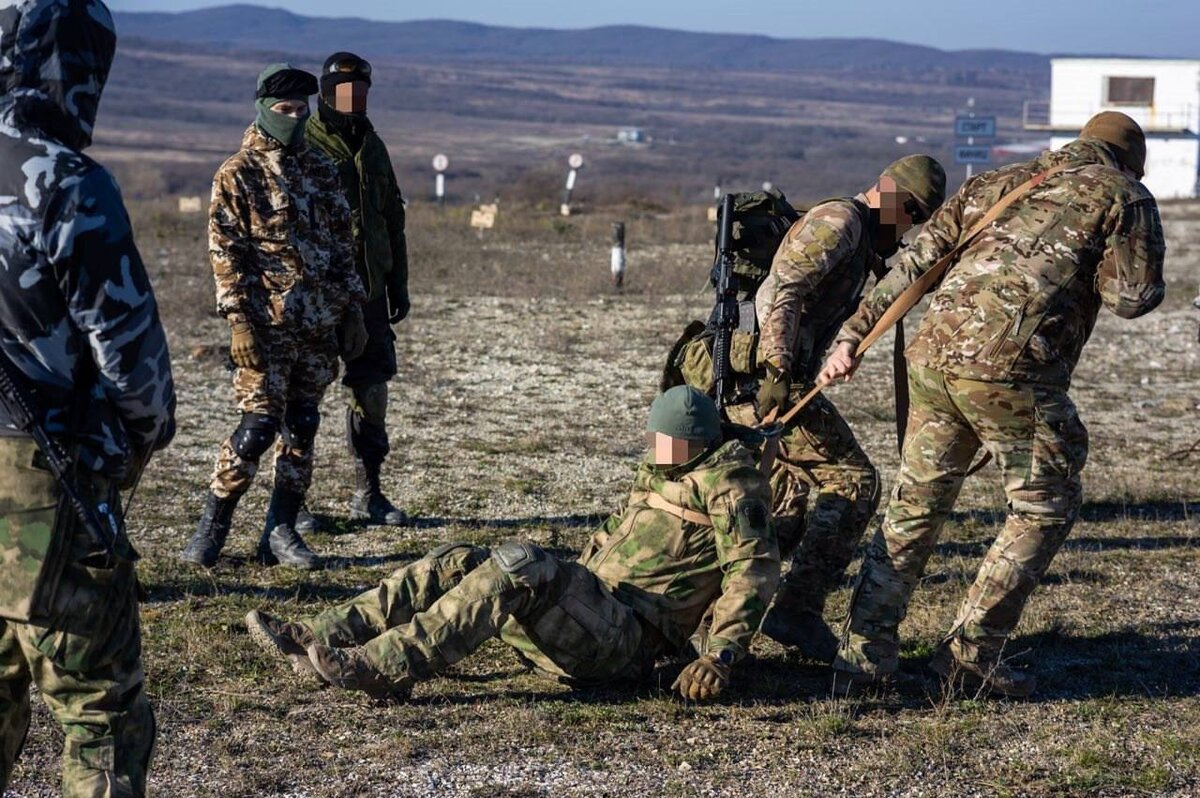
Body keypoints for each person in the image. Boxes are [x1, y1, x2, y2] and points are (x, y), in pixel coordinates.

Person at [821, 112, 1166, 696]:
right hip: (1014, 372)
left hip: (933, 359)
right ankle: (969, 656)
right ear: (1132, 159)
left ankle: (862, 659)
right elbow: (1132, 298)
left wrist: (852, 335)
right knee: (1044, 505)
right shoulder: (1125, 195)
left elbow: (915, 264)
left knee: (916, 506)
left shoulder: (997, 181)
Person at [246, 386, 779, 701]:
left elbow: (752, 571)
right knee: (459, 559)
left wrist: (720, 656)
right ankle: (319, 635)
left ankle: (380, 666)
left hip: (623, 644)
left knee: (523, 565)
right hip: (590, 613)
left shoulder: (730, 487)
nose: (652, 446)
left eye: (661, 439)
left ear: (689, 442)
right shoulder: (666, 470)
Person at [0, 1, 177, 794]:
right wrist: (138, 441)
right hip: (45, 487)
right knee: (101, 712)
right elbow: (135, 369)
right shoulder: (66, 182)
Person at [747, 156, 946, 664]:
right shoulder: (841, 222)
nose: (909, 224)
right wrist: (776, 371)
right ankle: (796, 609)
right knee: (855, 482)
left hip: (779, 378)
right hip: (768, 382)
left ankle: (723, 616)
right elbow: (783, 291)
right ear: (887, 194)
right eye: (911, 212)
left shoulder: (862, 239)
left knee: (779, 514)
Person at [180, 64, 367, 570]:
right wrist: (238, 321)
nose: (295, 118)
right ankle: (212, 526)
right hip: (265, 327)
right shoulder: (237, 174)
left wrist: (352, 310)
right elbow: (226, 252)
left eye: (302, 110)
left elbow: (341, 245)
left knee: (302, 425)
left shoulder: (321, 170)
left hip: (318, 325)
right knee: (258, 426)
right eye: (284, 110)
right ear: (263, 111)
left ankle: (280, 532)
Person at [302, 51, 411, 530]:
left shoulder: (374, 145)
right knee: (302, 397)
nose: (354, 100)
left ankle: (369, 492)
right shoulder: (303, 143)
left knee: (371, 390)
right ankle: (293, 504)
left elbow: (392, 219)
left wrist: (397, 285)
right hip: (319, 296)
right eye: (345, 92)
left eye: (361, 92)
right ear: (326, 94)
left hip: (369, 293)